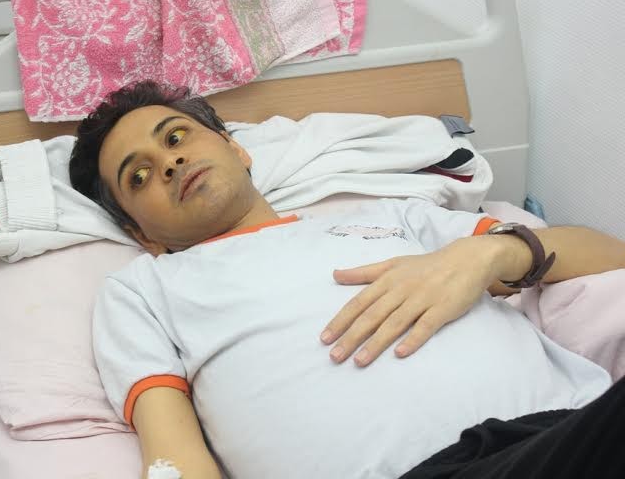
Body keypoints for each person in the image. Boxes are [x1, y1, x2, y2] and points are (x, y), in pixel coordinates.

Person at [69, 81, 625, 479]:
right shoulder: (144, 290)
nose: (169, 164)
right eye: (139, 176)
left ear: (236, 148)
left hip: (568, 428)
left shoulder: (392, 214)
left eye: (175, 138)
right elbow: (173, 456)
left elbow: (607, 255)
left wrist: (489, 254)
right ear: (140, 233)